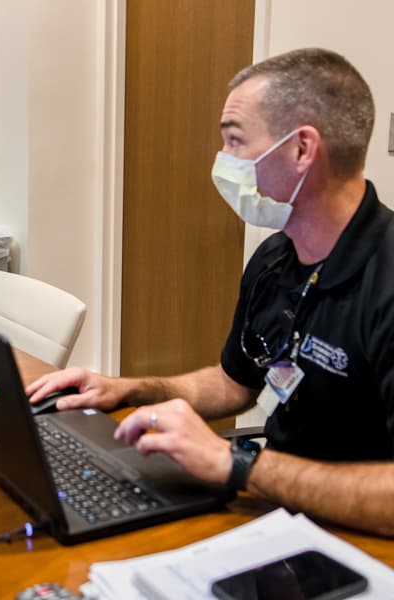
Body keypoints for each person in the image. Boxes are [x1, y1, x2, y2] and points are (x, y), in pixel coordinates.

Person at [27, 48, 394, 537]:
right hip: (276, 513)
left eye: (236, 142)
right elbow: (234, 382)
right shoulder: (275, 260)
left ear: (301, 149)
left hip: (361, 543)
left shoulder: (385, 279)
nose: (224, 163)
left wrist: (236, 464)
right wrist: (129, 390)